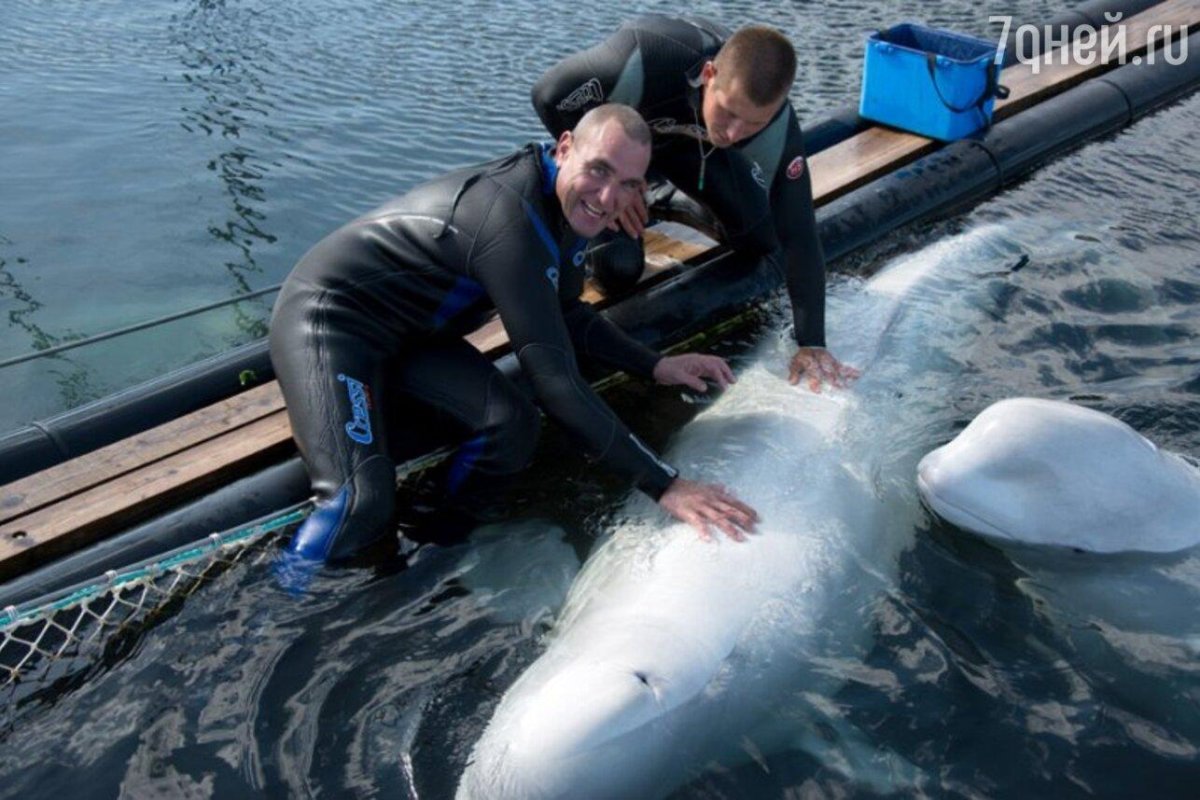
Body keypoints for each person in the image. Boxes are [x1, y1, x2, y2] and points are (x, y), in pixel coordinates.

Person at [269, 104, 758, 562]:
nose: (609, 198)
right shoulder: (510, 220)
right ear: (564, 148)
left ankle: (431, 545)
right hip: (332, 322)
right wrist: (664, 484)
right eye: (599, 170)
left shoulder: (569, 206)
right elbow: (555, 383)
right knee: (359, 503)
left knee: (511, 424)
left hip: (412, 335)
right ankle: (287, 594)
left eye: (629, 184)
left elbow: (567, 312)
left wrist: (655, 365)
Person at [533, 15, 860, 391]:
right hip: (624, 154)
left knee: (762, 236)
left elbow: (799, 230)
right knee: (617, 268)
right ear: (708, 75)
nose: (734, 132)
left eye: (753, 124)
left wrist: (812, 341)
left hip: (691, 151)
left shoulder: (773, 123)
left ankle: (663, 197)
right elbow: (548, 95)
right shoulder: (646, 58)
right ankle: (638, 190)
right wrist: (616, 183)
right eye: (729, 112)